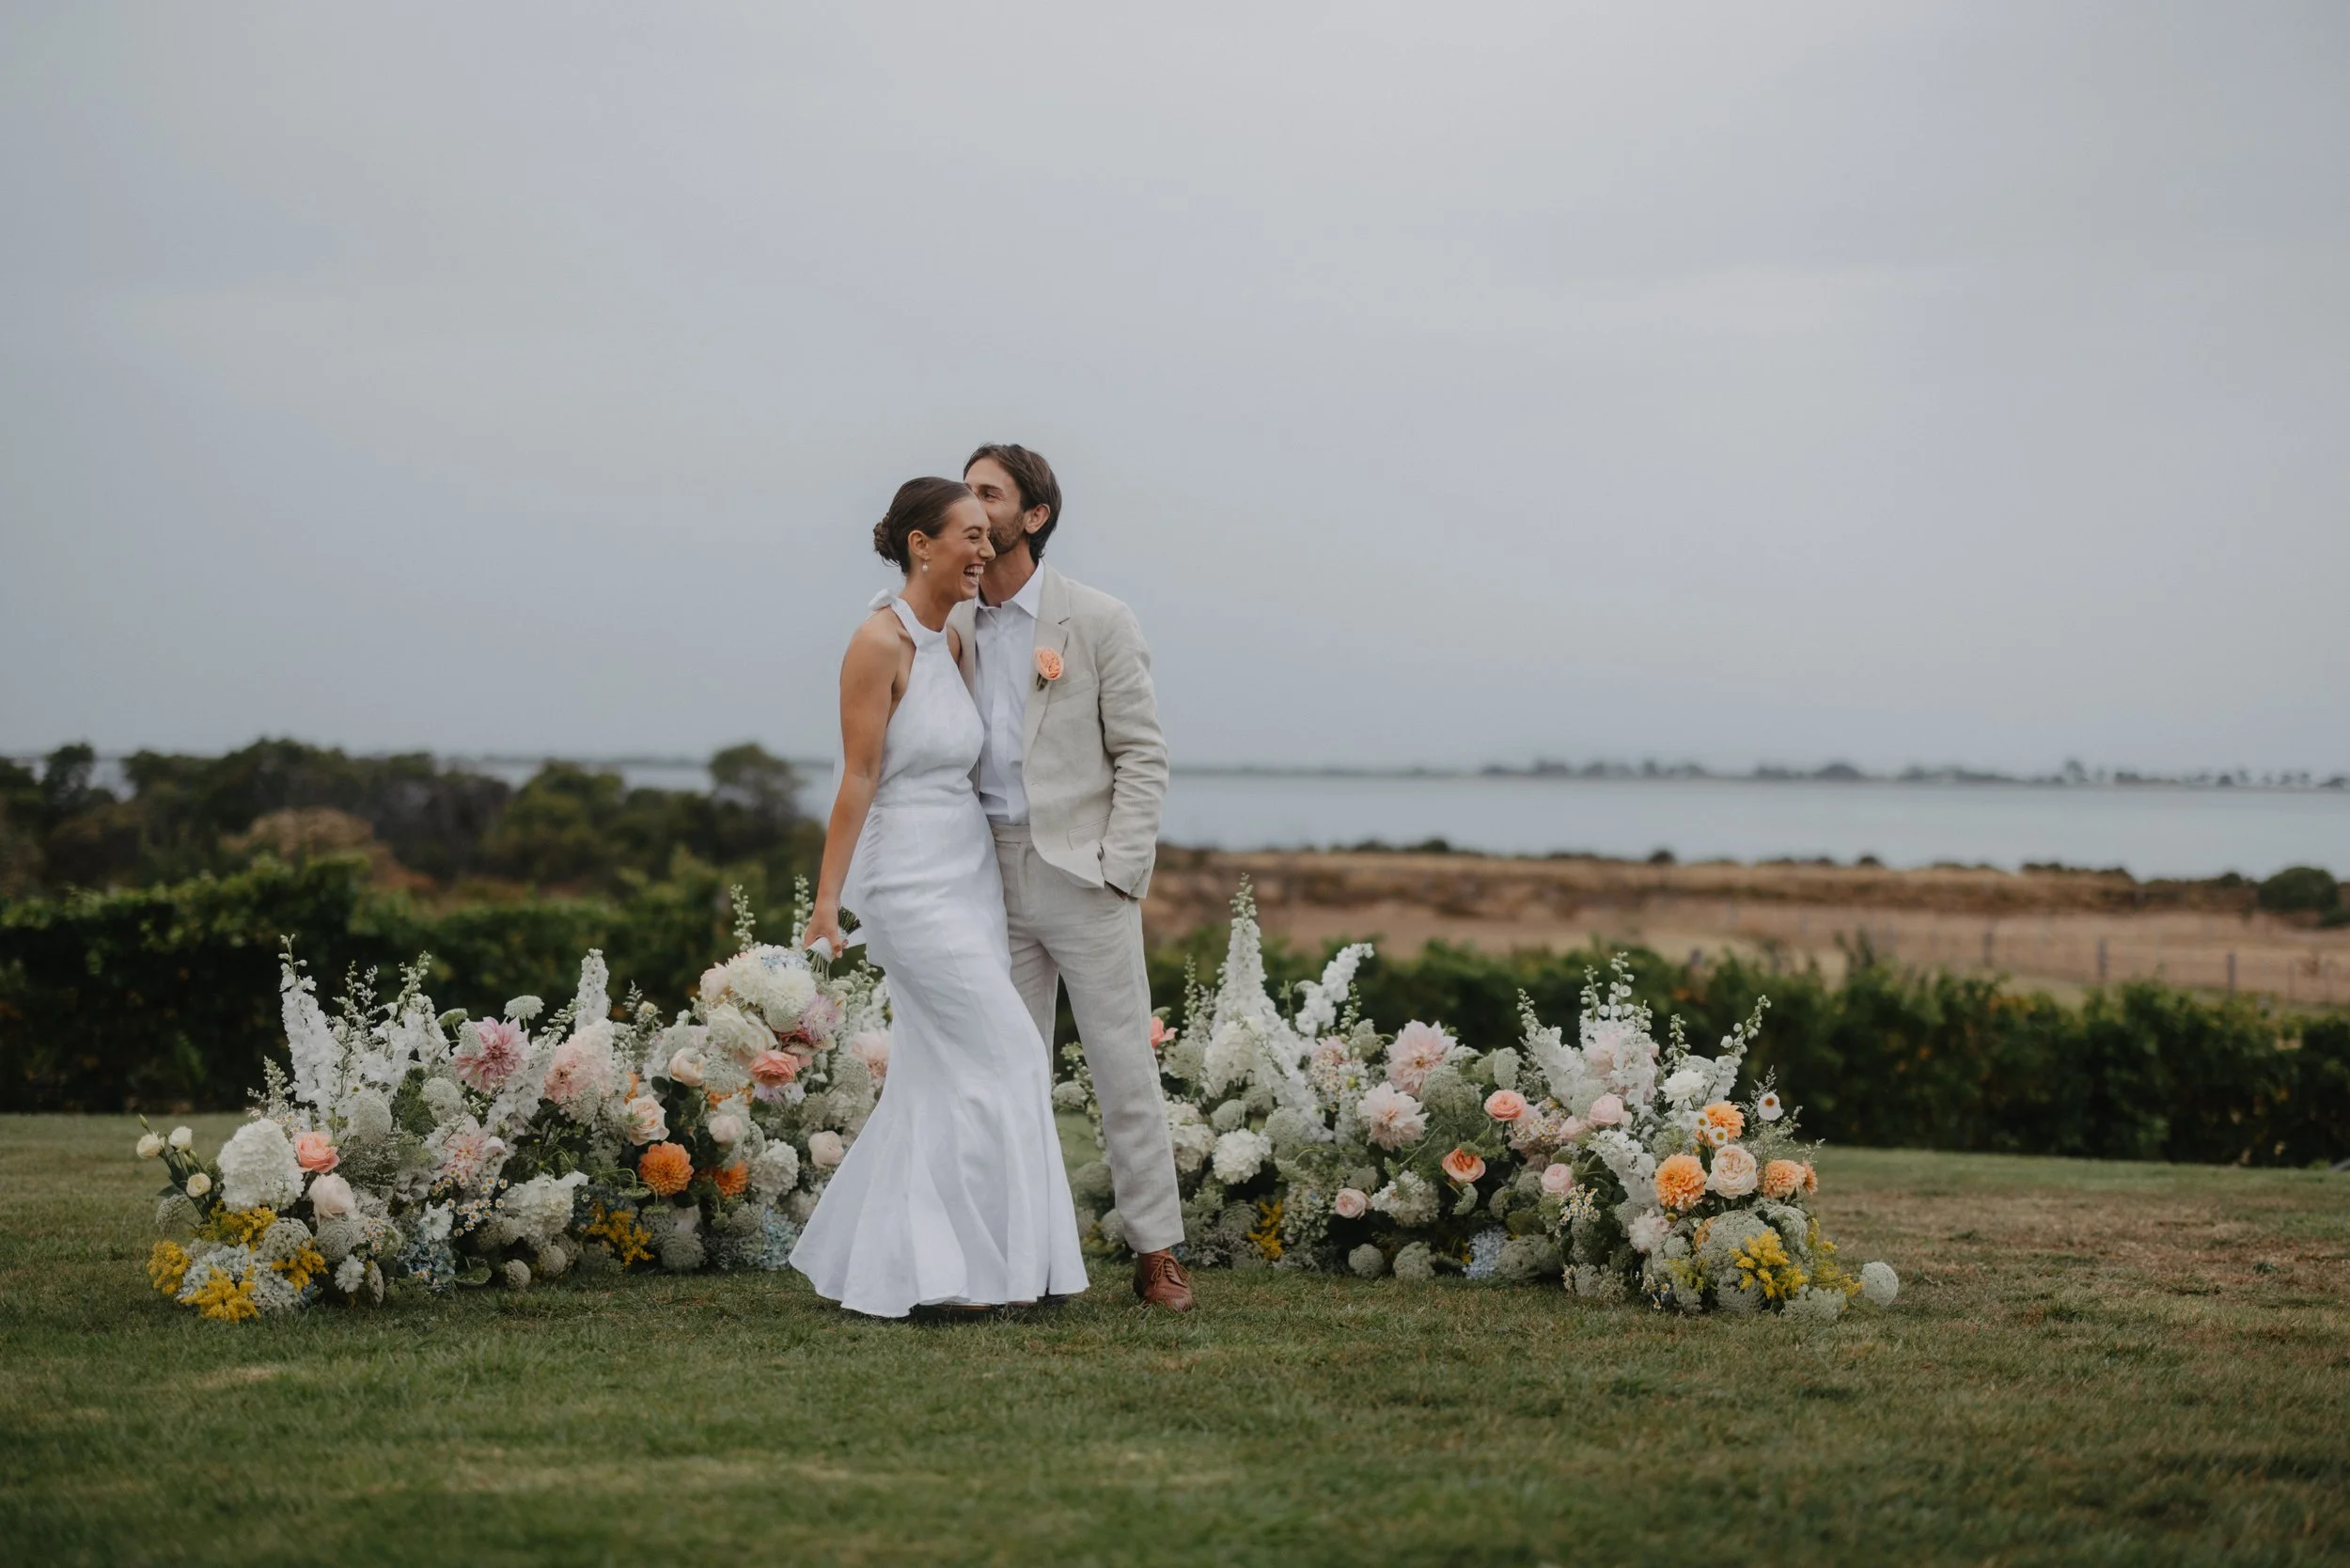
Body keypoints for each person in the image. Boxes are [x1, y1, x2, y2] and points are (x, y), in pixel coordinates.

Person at [791, 477, 1089, 1318]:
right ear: (921, 545)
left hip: (969, 875)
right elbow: (857, 778)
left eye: (988, 535)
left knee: (936, 1073)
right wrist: (828, 901)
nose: (986, 550)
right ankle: (979, 1267)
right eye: (971, 535)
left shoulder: (952, 642)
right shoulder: (875, 643)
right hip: (908, 880)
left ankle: (924, 1269)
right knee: (1010, 1052)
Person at [948, 445, 1192, 1312]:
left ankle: (1157, 1252)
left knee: (1122, 1070)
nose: (971, 505)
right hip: (985, 874)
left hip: (1084, 878)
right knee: (1005, 1074)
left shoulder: (1096, 618)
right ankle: (1020, 1259)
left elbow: (1142, 754)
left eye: (988, 493)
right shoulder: (949, 618)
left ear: (1034, 516)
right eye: (964, 491)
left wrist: (1121, 871)